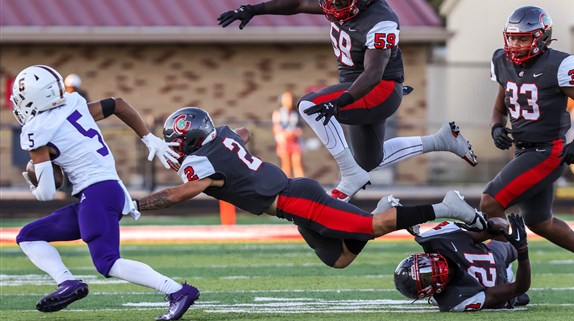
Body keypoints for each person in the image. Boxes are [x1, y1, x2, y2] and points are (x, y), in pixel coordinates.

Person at [218, 0, 478, 202]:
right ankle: (442, 140)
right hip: (359, 87)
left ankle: (349, 174)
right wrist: (253, 10)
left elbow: (374, 72)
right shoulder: (339, 2)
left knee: (308, 106)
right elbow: (298, 4)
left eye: (339, 2)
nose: (330, 7)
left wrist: (341, 101)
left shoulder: (382, 21)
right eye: (330, 0)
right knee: (369, 160)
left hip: (380, 88)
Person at [134, 106, 487, 269]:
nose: (176, 148)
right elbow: (243, 134)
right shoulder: (223, 137)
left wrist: (136, 204)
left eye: (178, 142)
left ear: (192, 140)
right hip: (293, 201)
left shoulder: (201, 164)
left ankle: (447, 207)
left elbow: (175, 195)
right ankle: (381, 209)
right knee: (339, 259)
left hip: (297, 200)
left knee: (372, 228)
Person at [11, 64, 199, 321]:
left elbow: (45, 193)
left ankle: (177, 291)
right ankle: (67, 283)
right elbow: (118, 104)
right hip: (103, 190)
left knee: (107, 262)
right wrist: (147, 137)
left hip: (97, 194)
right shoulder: (73, 103)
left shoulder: (37, 130)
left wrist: (34, 176)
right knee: (29, 236)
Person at [481, 5, 574, 282]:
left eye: (523, 38)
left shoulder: (558, 65)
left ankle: (505, 270)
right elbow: (499, 108)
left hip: (548, 151)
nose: (515, 44)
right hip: (523, 149)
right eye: (512, 37)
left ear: (542, 38)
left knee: (490, 202)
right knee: (539, 222)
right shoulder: (502, 61)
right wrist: (496, 126)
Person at [394, 214, 530, 312]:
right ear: (427, 291)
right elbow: (519, 287)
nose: (432, 269)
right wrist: (523, 251)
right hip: (500, 281)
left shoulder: (438, 240)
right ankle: (515, 299)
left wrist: (486, 225)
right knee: (516, 295)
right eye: (426, 277)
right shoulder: (455, 301)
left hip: (493, 254)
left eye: (425, 264)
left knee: (510, 242)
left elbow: (502, 225)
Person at [272, 91, 304, 178]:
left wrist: (294, 133)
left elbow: (300, 128)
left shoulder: (295, 113)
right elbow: (276, 127)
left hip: (295, 140)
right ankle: (285, 186)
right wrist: (282, 137)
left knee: (297, 163)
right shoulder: (278, 113)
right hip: (284, 141)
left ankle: (301, 184)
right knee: (286, 165)